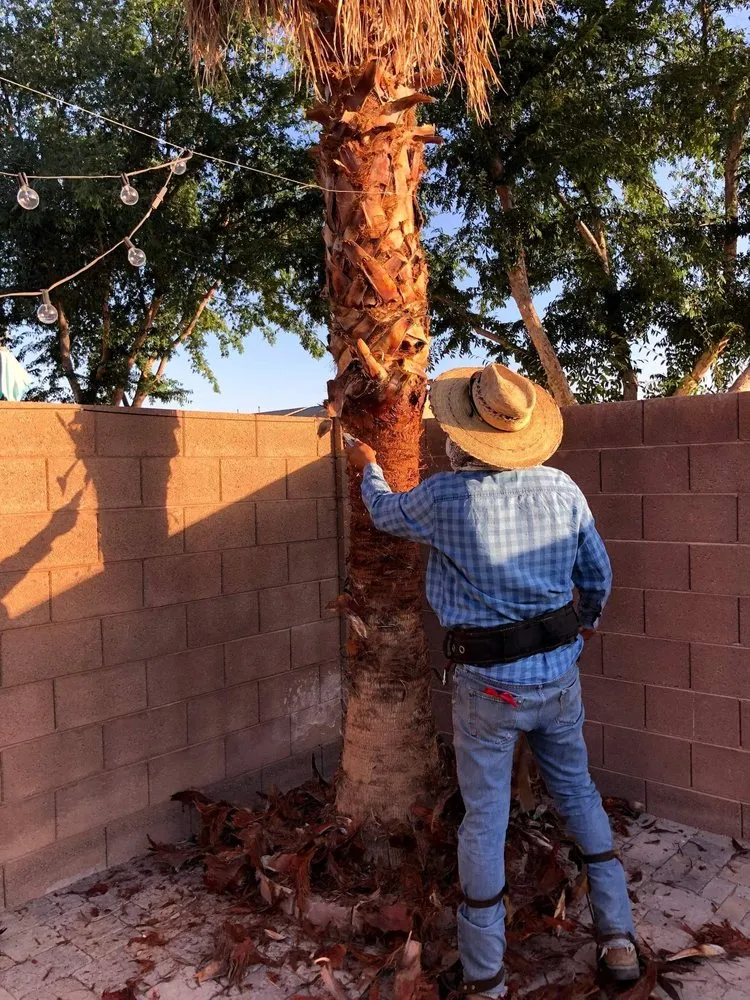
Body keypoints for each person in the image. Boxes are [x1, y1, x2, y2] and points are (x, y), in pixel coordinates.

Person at [345, 363, 639, 996]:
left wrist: (367, 460)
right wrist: (578, 629)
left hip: (488, 690)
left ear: (463, 432)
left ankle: (487, 978)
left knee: (485, 820)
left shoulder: (446, 496)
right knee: (580, 795)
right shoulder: (562, 489)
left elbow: (382, 512)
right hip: (558, 679)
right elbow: (599, 578)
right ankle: (617, 940)